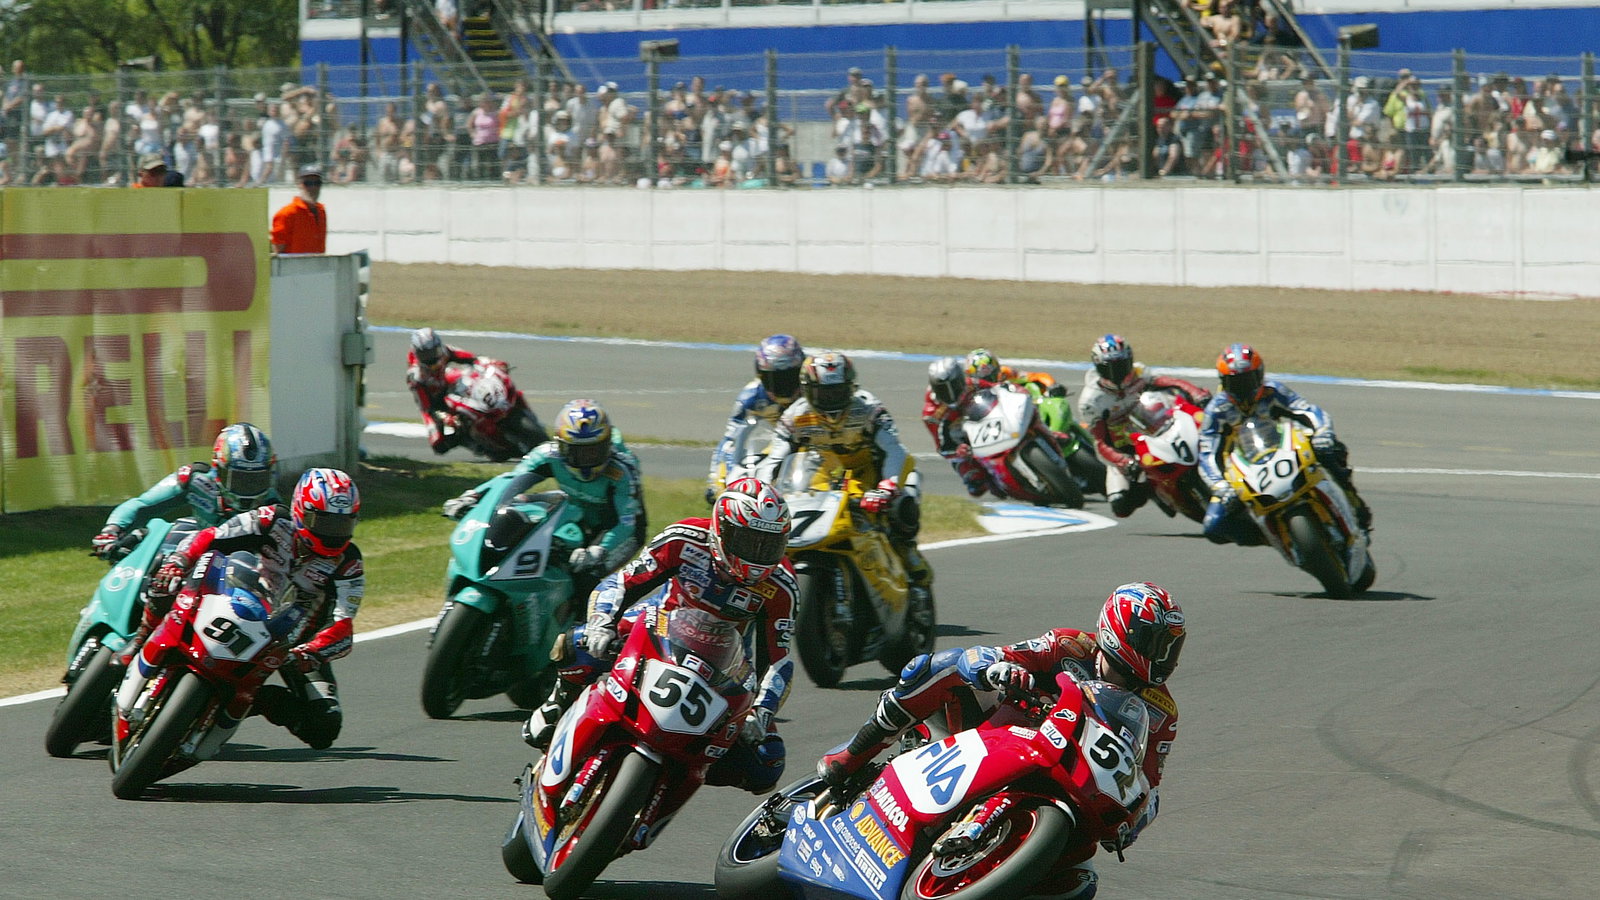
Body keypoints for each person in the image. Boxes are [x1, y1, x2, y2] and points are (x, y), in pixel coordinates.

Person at [818, 582, 1186, 900]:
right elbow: (996, 654)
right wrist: (997, 667)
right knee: (940, 666)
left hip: (1071, 776)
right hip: (1001, 728)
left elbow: (1148, 782)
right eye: (1155, 643)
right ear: (1120, 631)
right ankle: (853, 754)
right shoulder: (1070, 646)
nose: (1164, 657)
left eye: (1171, 648)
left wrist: (1135, 818)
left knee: (1078, 883)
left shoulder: (1162, 712)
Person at [523, 476, 797, 794]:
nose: (759, 553)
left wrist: (761, 713)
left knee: (767, 763)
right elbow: (622, 582)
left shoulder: (782, 585)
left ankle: (679, 772)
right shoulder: (685, 538)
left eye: (769, 544)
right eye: (749, 541)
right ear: (722, 528)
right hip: (658, 628)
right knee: (579, 644)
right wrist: (602, 622)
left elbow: (779, 660)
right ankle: (559, 702)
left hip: (724, 662)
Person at [128, 468, 363, 749]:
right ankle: (141, 638)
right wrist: (178, 561)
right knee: (165, 578)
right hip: (239, 599)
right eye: (323, 522)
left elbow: (343, 625)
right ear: (301, 510)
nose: (332, 534)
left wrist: (310, 652)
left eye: (342, 525)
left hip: (290, 645)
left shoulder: (349, 563)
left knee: (324, 727)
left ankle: (249, 702)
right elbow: (212, 536)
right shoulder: (272, 520)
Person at [756, 351, 933, 602]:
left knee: (902, 503)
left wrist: (887, 488)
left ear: (850, 388)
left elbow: (895, 451)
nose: (831, 399)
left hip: (870, 470)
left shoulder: (869, 409)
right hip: (820, 472)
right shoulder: (794, 417)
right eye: (823, 393)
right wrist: (761, 490)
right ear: (808, 390)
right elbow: (774, 458)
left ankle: (908, 553)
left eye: (838, 392)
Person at [442, 399, 644, 599]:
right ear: (561, 446)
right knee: (520, 529)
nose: (586, 460)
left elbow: (626, 524)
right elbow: (511, 480)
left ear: (607, 445)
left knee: (584, 578)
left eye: (593, 451)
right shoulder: (548, 454)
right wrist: (473, 497)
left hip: (618, 527)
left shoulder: (622, 472)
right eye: (576, 452)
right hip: (576, 508)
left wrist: (597, 551)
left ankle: (584, 627)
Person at [1197, 343, 1372, 545]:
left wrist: (1323, 433)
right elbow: (1207, 453)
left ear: (1260, 375)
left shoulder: (1274, 391)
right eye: (1234, 382)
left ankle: (1357, 511)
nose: (1242, 388)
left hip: (1284, 448)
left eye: (1248, 380)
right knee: (1214, 526)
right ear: (1223, 382)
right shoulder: (1217, 410)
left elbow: (1308, 411)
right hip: (1243, 468)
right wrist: (1220, 486)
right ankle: (1273, 538)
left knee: (1332, 451)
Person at [93, 423, 279, 561]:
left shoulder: (273, 507)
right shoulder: (194, 479)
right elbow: (142, 504)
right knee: (139, 541)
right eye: (239, 478)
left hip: (239, 569)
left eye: (256, 479)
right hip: (192, 553)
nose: (248, 487)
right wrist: (112, 530)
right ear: (219, 470)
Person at [1076, 334, 1212, 519]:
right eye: (1110, 368)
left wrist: (1196, 393)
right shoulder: (1091, 401)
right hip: (1125, 447)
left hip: (1157, 427)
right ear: (1099, 367)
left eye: (1122, 365)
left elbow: (1170, 382)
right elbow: (1101, 442)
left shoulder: (1139, 372)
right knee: (1121, 506)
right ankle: (1153, 489)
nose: (1118, 372)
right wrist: (1124, 461)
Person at [706, 334, 806, 504]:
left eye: (789, 377)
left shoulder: (814, 389)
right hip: (781, 442)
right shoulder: (751, 396)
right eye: (773, 379)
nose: (782, 385)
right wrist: (716, 478)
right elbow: (730, 439)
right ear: (761, 375)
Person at [405, 326, 492, 454]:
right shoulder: (415, 376)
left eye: (433, 352)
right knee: (438, 445)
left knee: (464, 377)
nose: (431, 357)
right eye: (425, 354)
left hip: (448, 386)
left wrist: (485, 363)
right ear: (417, 353)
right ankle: (464, 439)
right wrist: (444, 417)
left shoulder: (444, 351)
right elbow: (427, 407)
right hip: (433, 403)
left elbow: (470, 358)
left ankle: (489, 404)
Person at [921, 356, 990, 497]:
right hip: (965, 441)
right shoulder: (931, 414)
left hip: (986, 419)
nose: (951, 392)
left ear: (960, 378)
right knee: (976, 485)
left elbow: (997, 389)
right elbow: (943, 447)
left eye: (954, 385)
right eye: (943, 390)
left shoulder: (971, 383)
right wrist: (958, 451)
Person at [269, 165, 327, 254]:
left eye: (317, 183)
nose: (313, 187)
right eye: (308, 183)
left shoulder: (321, 211)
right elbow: (278, 251)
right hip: (294, 266)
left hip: (318, 266)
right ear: (299, 185)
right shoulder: (286, 213)